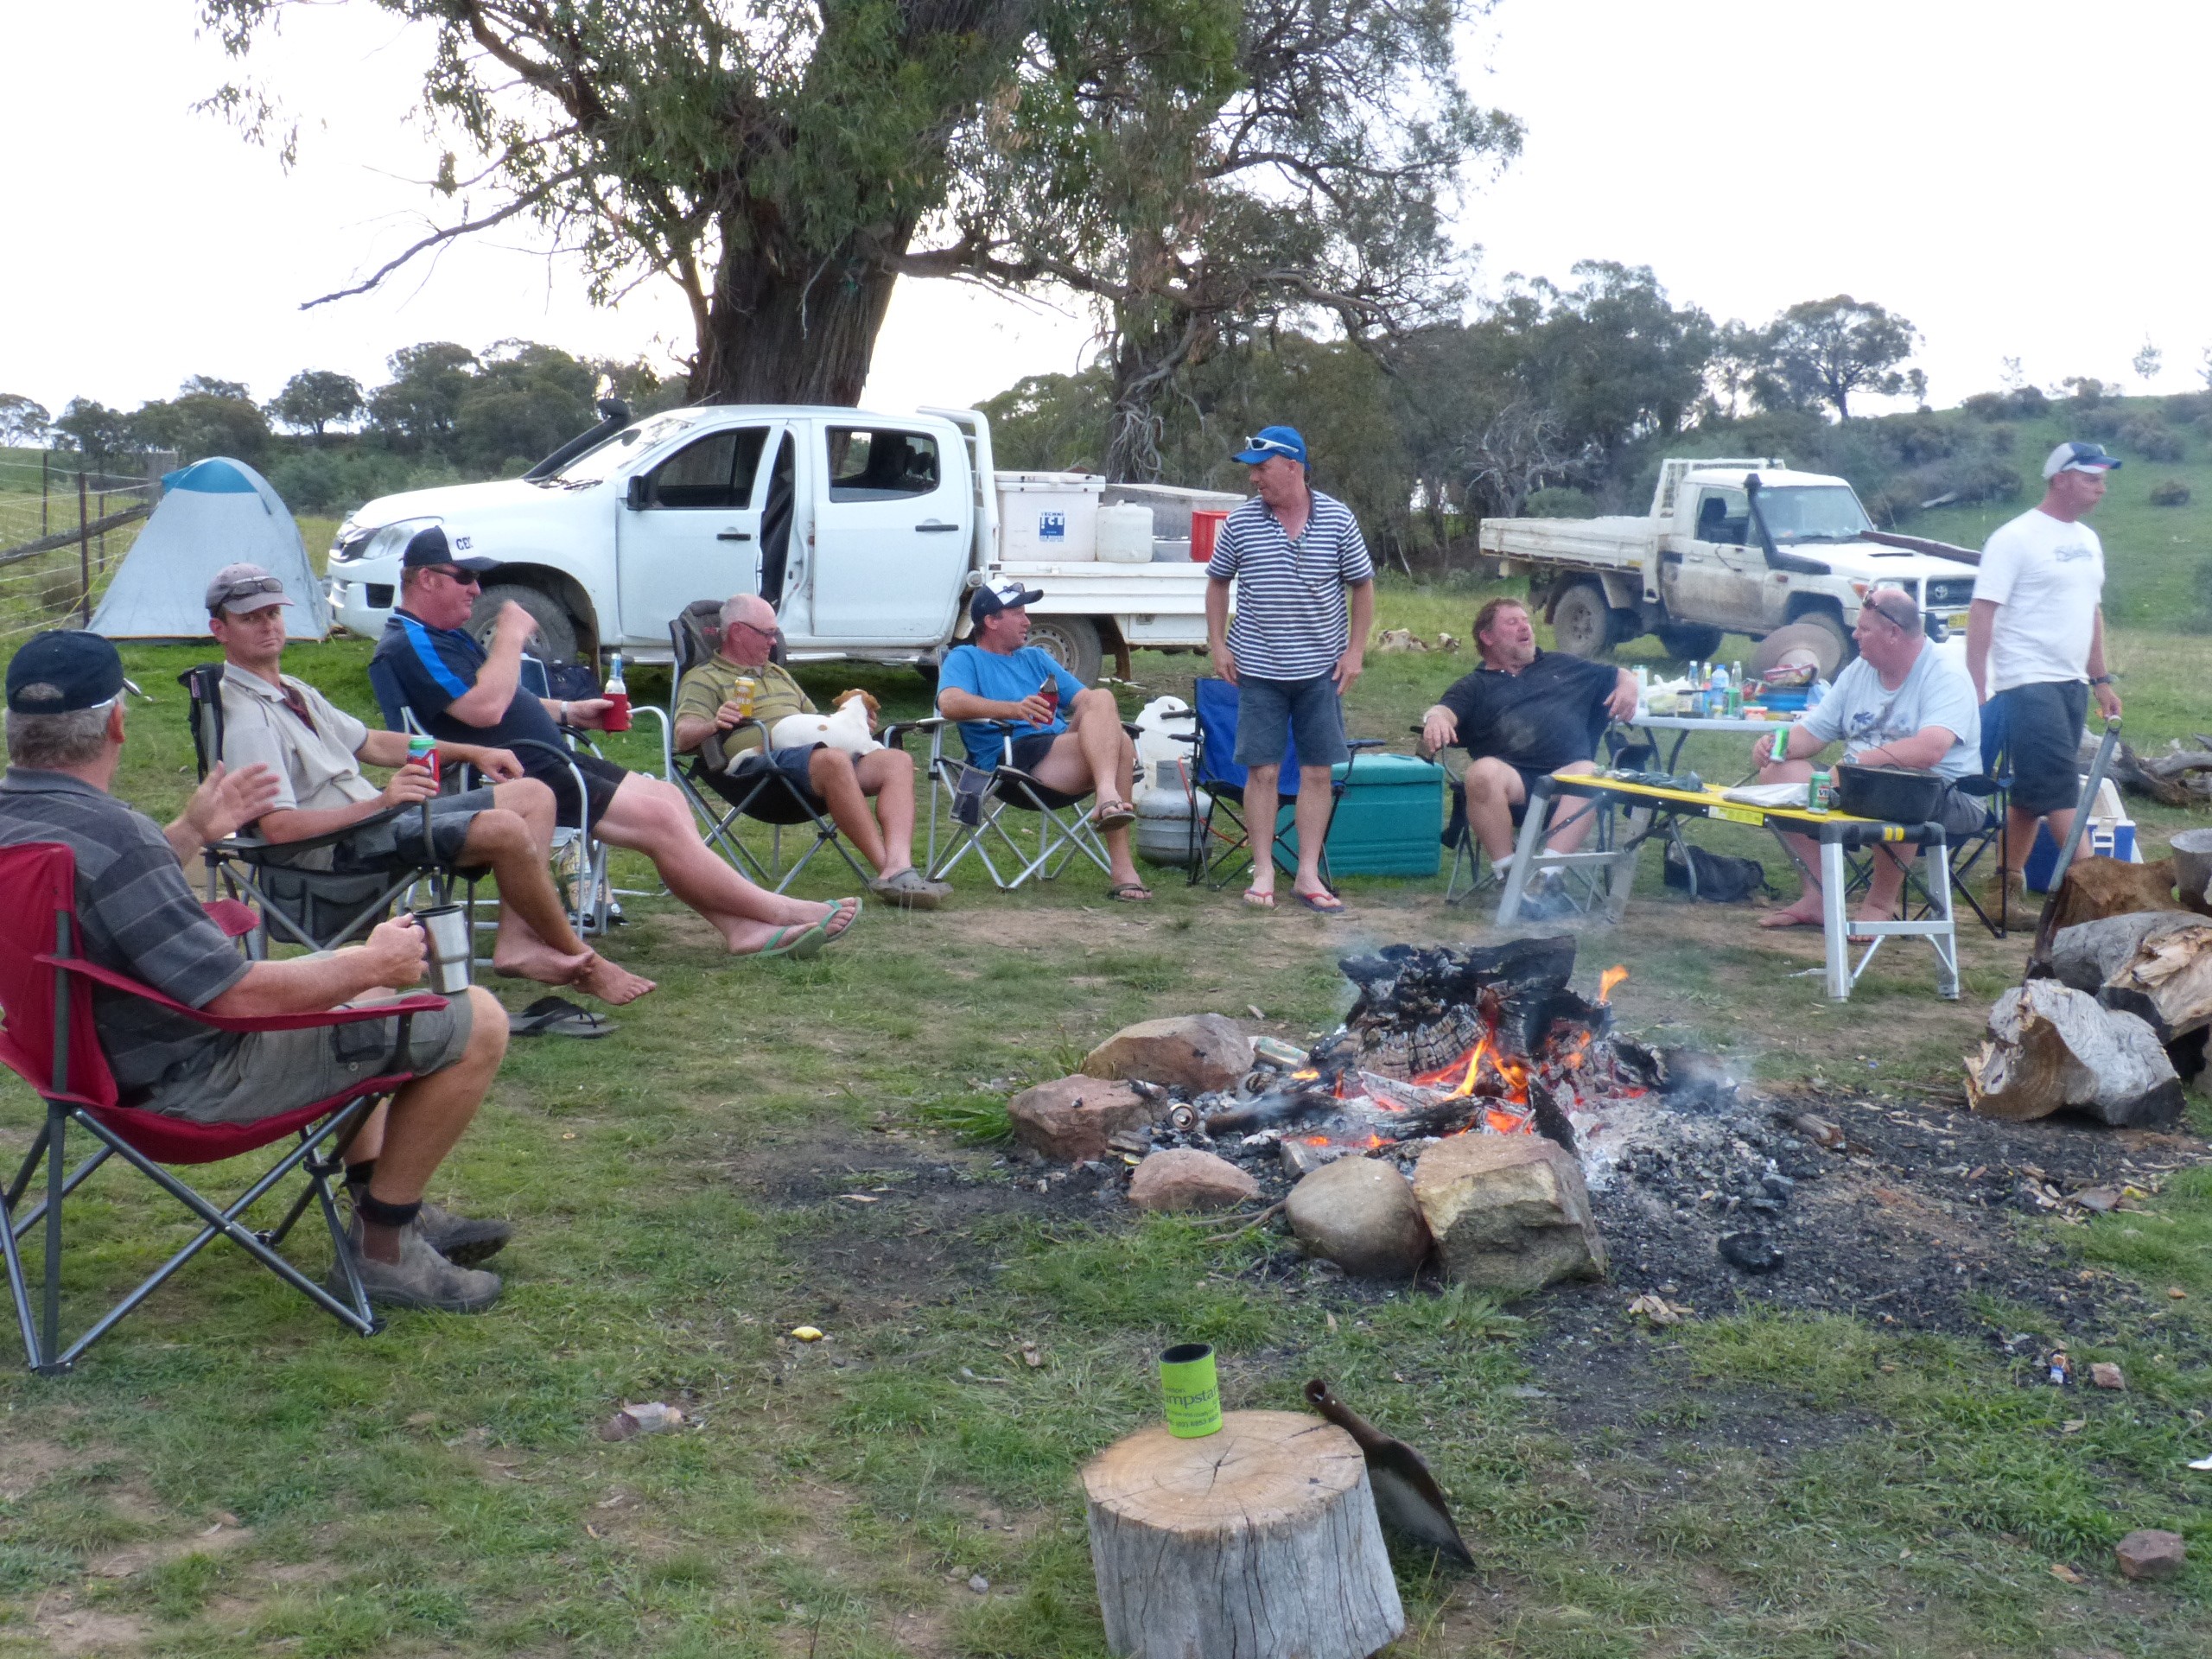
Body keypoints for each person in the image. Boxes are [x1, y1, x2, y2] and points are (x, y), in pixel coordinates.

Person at [0, 631, 512, 1313]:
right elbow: (238, 1000)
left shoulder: (24, 823)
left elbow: (89, 906)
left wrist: (184, 832)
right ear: (117, 721)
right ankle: (385, 1248)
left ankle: (382, 1198)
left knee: (364, 986)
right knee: (476, 1017)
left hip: (79, 1068)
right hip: (191, 1087)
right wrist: (372, 957)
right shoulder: (116, 837)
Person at [370, 527, 860, 959]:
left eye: (478, 579)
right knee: (660, 817)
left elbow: (493, 695)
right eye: (465, 578)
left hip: (544, 759)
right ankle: (779, 909)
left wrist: (566, 711)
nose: (478, 590)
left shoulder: (442, 636)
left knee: (666, 797)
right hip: (504, 779)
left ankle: (739, 927)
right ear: (426, 579)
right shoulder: (408, 642)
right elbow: (483, 710)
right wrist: (510, 637)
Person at [207, 563, 652, 1006]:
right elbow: (278, 830)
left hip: (378, 823)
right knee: (502, 828)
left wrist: (471, 752)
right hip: (341, 846)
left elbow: (375, 742)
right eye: (250, 618)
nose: (267, 626)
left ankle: (518, 945)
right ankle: (584, 960)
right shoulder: (246, 719)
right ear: (219, 629)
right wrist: (380, 803)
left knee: (533, 794)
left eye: (272, 614)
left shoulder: (292, 690)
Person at [671, 594, 951, 909]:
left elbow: (817, 725)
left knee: (896, 761)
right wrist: (713, 723)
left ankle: (900, 867)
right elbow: (682, 737)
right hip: (758, 771)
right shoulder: (704, 678)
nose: (773, 643)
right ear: (737, 631)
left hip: (810, 765)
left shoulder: (779, 674)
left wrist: (856, 725)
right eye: (767, 634)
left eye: (775, 634)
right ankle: (889, 873)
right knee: (831, 759)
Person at [1205, 425, 1375, 912]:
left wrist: (1355, 651)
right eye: (1252, 470)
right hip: (1257, 666)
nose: (1254, 479)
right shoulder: (1240, 523)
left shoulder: (1339, 519)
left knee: (1318, 773)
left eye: (1262, 469)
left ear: (1293, 465)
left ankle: (1305, 873)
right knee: (1262, 771)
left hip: (1321, 669)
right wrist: (1218, 644)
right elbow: (1217, 583)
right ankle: (1262, 873)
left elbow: (1362, 586)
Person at [1750, 586, 1985, 929]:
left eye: (1864, 628)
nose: (1855, 635)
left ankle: (1879, 903)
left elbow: (1930, 749)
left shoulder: (1944, 673)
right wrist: (1778, 745)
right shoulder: (1859, 670)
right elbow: (1814, 732)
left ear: (1894, 632)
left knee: (1896, 785)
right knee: (1777, 773)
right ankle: (1819, 896)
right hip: (1859, 783)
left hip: (1948, 794)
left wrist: (1858, 766)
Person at [1966, 441, 2126, 906]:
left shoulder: (2087, 540)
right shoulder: (2015, 537)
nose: (2101, 485)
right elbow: (1982, 612)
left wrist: (2100, 680)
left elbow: (2090, 612)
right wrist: (1976, 688)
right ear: (2060, 478)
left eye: (2103, 478)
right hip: (2024, 679)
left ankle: (2003, 889)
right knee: (2058, 787)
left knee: (2033, 790)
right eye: (2090, 476)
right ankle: (2097, 894)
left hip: (2070, 680)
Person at [934, 581, 1152, 900]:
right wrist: (1013, 709)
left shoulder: (1035, 658)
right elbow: (950, 704)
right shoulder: (966, 658)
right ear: (992, 621)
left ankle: (1106, 794)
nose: (1027, 622)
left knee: (1102, 697)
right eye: (1018, 613)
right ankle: (1123, 869)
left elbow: (1088, 702)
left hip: (1059, 748)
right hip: (1012, 760)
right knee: (1118, 743)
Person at [1419, 597, 1638, 912]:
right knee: (1481, 772)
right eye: (1512, 622)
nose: (1525, 627)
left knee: (1590, 772)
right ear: (1487, 637)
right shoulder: (1475, 685)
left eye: (1526, 621)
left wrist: (1629, 683)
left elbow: (1618, 674)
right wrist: (1436, 719)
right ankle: (1509, 877)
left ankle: (1546, 877)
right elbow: (1444, 710)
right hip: (1514, 786)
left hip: (1568, 780)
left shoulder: (1564, 666)